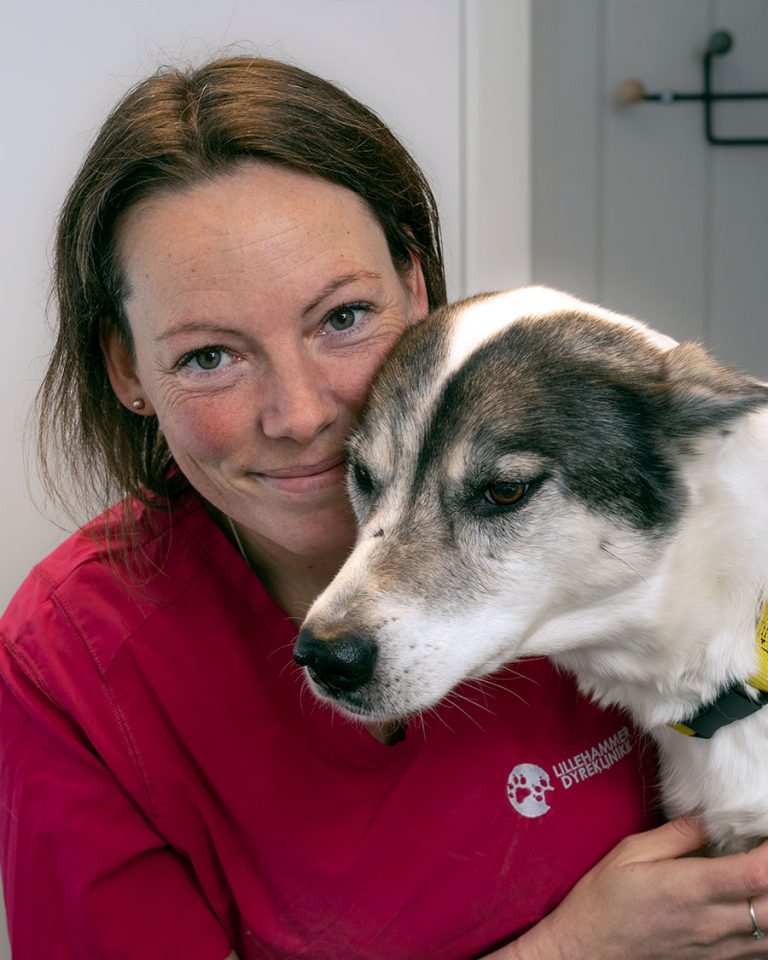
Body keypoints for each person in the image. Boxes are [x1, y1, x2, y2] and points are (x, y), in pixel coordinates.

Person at [1, 55, 768, 960]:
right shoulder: (73, 670)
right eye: (210, 355)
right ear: (128, 370)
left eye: (341, 318)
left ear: (414, 287)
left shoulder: (605, 501)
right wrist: (572, 950)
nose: (302, 416)